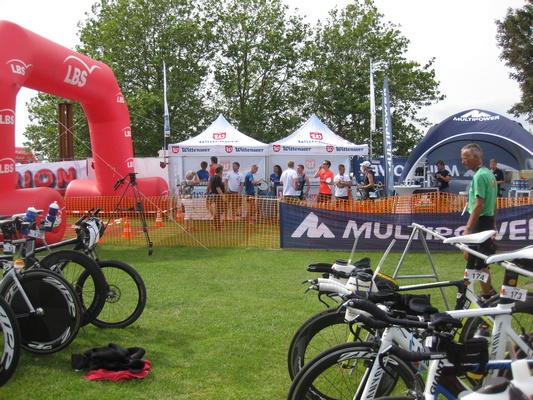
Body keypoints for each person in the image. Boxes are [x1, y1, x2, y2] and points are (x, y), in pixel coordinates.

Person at [461, 143, 498, 299]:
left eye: (465, 158)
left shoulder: (480, 176)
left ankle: (487, 295)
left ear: (475, 157)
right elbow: (494, 202)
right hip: (486, 221)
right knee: (473, 257)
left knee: (477, 261)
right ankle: (488, 291)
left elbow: (479, 205)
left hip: (481, 222)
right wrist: (493, 222)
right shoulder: (489, 174)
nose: (463, 161)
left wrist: (468, 229)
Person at [207, 164, 226, 230]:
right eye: (222, 170)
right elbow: (218, 188)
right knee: (219, 211)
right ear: (220, 170)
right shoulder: (218, 178)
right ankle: (218, 226)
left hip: (214, 195)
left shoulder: (212, 177)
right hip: (218, 197)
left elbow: (210, 186)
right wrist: (223, 196)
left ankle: (215, 224)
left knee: (218, 211)